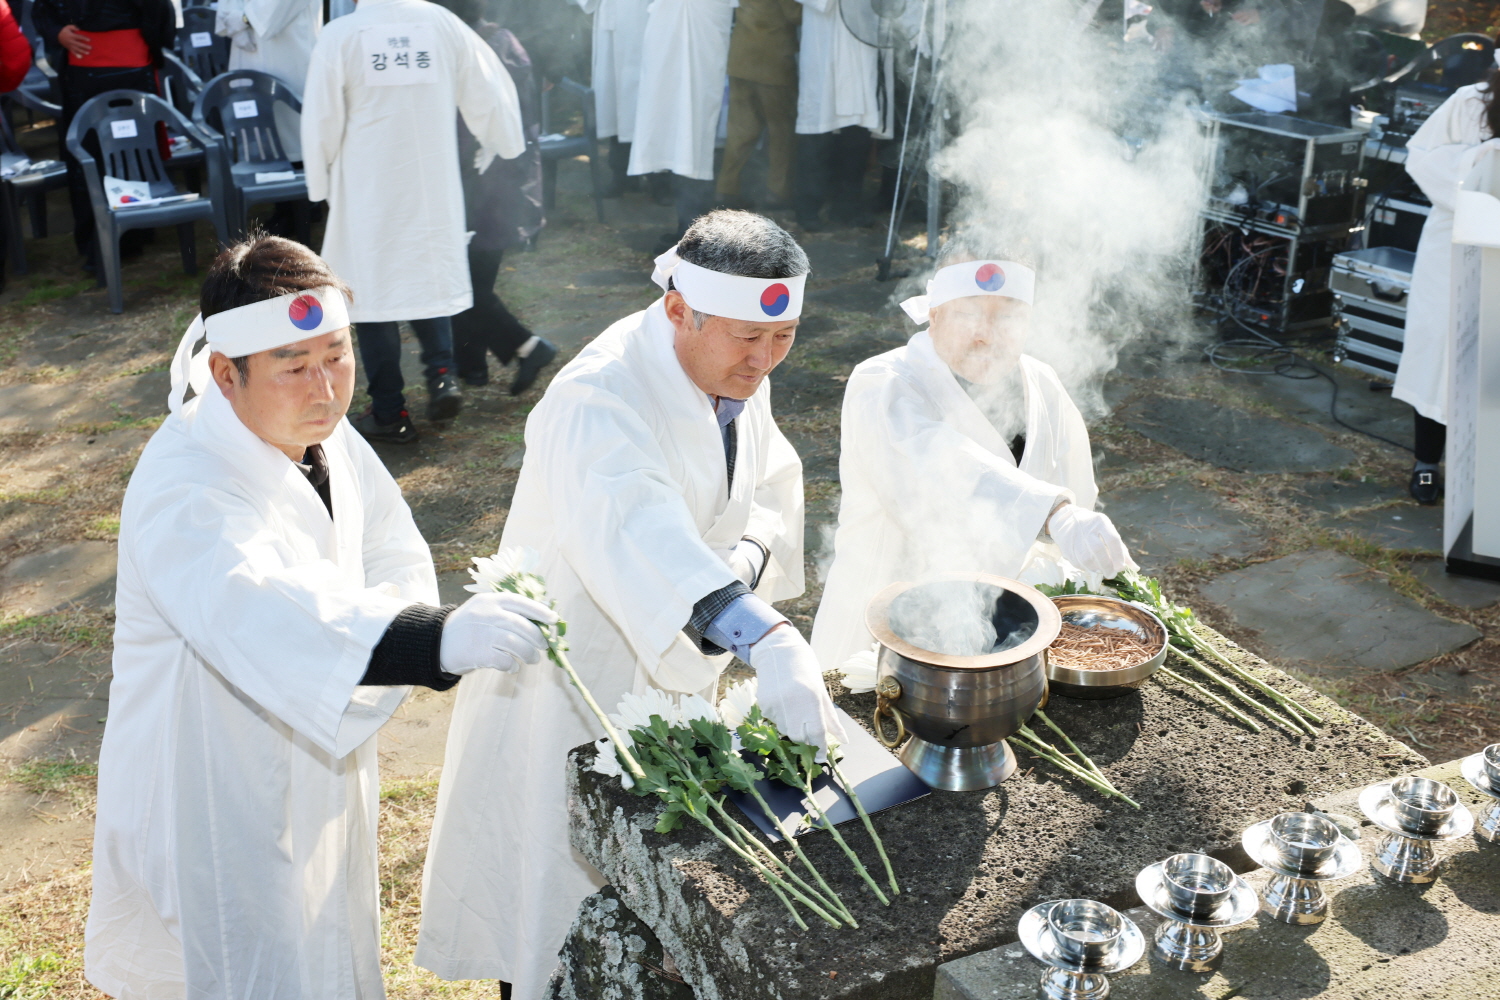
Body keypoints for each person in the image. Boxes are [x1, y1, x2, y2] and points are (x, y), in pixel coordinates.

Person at [83, 235, 556, 999]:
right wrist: (427, 637)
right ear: (224, 373)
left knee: (324, 954)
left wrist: (401, 621)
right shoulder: (184, 485)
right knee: (241, 962)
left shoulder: (324, 434)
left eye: (338, 355)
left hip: (316, 759)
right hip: (211, 783)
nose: (326, 387)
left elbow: (389, 547)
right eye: (294, 366)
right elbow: (255, 603)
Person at [415, 211, 845, 1000]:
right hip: (575, 680)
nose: (766, 360)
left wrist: (741, 570)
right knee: (552, 909)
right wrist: (768, 634)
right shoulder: (598, 396)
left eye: (782, 338)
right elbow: (641, 532)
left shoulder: (737, 361)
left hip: (675, 671)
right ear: (680, 309)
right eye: (749, 338)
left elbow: (765, 486)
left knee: (648, 920)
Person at [811, 247, 1138, 672]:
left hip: (1011, 616)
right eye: (967, 313)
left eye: (1008, 317)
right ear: (934, 314)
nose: (986, 334)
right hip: (892, 614)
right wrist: (1052, 511)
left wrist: (1084, 547)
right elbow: (933, 467)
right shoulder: (885, 382)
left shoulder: (1041, 381)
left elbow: (1077, 486)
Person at [301, 0, 525, 443]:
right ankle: (443, 375)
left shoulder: (342, 35)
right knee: (428, 277)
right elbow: (487, 85)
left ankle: (389, 410)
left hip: (367, 189)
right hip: (429, 184)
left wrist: (319, 184)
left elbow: (322, 118)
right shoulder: (440, 23)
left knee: (370, 295)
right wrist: (502, 138)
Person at [1393, 47, 1498, 505]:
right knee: (1443, 352)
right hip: (1455, 247)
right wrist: (1480, 160)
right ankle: (1427, 463)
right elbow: (1420, 155)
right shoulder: (1470, 100)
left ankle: (1483, 472)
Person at [438, 0, 557, 394]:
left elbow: (465, 125)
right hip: (504, 181)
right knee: (470, 280)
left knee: (466, 286)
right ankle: (470, 367)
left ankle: (529, 347)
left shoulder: (470, 48)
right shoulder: (502, 40)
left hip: (485, 183)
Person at [31, 0, 175, 270]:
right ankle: (97, 241)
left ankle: (138, 231)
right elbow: (43, 11)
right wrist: (57, 32)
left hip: (133, 70)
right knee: (91, 157)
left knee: (135, 154)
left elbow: (160, 14)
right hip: (83, 76)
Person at [627, 0, 734, 246]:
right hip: (671, 25)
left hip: (700, 23)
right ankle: (685, 227)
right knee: (672, 127)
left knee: (693, 129)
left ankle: (693, 231)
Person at [792, 0, 891, 229]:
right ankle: (808, 212)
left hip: (860, 50)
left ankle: (847, 209)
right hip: (824, 52)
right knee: (816, 138)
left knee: (857, 136)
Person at [716, 0, 800, 210]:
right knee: (780, 130)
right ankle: (776, 191)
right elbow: (795, 14)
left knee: (739, 131)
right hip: (772, 60)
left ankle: (726, 189)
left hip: (741, 57)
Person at [573, 0, 649, 195]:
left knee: (649, 105)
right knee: (617, 108)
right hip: (612, 29)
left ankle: (659, 180)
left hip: (647, 27)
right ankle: (621, 176)